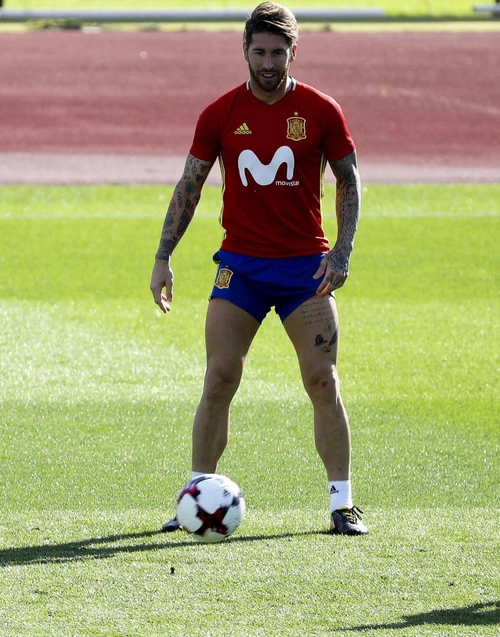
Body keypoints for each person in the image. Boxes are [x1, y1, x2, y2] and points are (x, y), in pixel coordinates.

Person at [149, 2, 366, 536]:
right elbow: (189, 186)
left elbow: (349, 180)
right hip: (240, 268)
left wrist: (342, 252)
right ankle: (196, 496)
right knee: (219, 378)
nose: (269, 62)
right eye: (259, 51)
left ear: (295, 51)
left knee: (323, 380)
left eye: (278, 52)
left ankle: (342, 504)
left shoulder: (320, 110)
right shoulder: (219, 113)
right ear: (244, 50)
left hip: (305, 271)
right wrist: (162, 257)